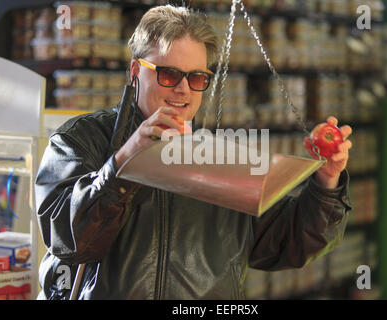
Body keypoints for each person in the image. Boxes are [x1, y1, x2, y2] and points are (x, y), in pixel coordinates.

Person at [35, 5, 353, 300]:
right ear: (135, 71)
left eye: (197, 77)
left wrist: (326, 184)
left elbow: (288, 243)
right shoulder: (80, 140)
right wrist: (124, 163)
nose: (183, 90)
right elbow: (65, 238)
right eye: (169, 74)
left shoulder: (218, 159)